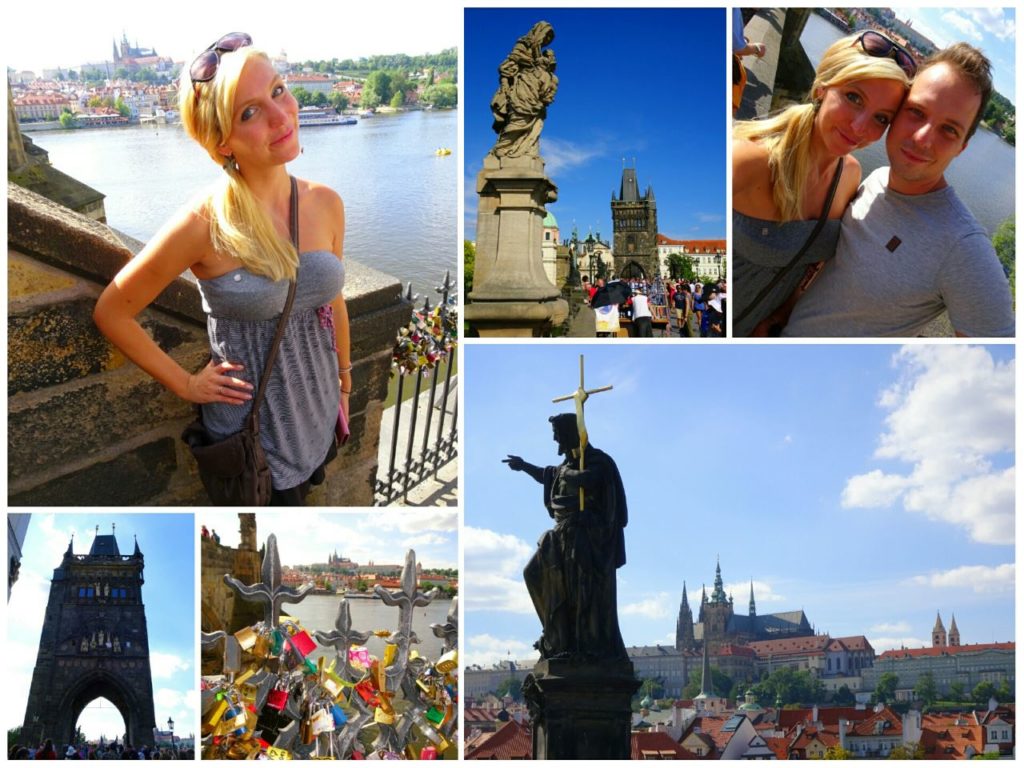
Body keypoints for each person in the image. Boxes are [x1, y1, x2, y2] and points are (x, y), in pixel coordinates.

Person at [94, 34, 351, 504]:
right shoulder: (203, 223)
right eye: (249, 113)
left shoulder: (326, 203)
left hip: (318, 415)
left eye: (277, 91)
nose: (280, 116)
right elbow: (113, 312)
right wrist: (188, 384)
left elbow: (332, 301)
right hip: (255, 441)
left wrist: (346, 376)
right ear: (221, 142)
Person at [784, 42, 1014, 337]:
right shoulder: (878, 178)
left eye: (949, 130)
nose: (923, 138)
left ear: (962, 147)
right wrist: (787, 308)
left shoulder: (964, 247)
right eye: (917, 112)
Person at [732, 31, 912, 336]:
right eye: (853, 97)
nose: (860, 128)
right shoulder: (749, 159)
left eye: (881, 118)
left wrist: (789, 305)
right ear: (821, 88)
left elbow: (805, 261)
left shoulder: (850, 175)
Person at [503, 414, 628, 662]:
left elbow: (589, 479)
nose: (554, 438)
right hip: (561, 535)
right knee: (533, 572)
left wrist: (568, 472)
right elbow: (546, 475)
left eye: (557, 434)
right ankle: (556, 634)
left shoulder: (597, 461)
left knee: (581, 592)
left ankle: (582, 644)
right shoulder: (565, 468)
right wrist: (524, 465)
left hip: (587, 538)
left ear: (571, 434)